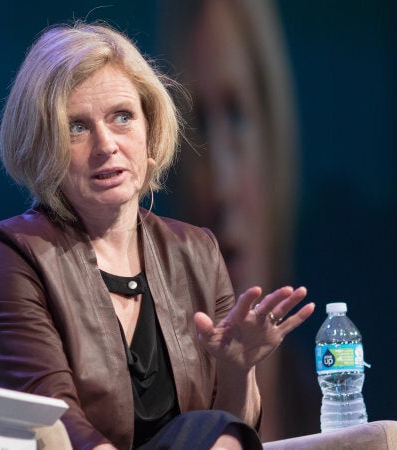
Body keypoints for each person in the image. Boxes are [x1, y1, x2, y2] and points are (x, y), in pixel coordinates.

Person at [0, 21, 315, 450]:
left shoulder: (196, 252)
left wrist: (237, 369)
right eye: (77, 126)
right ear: (44, 147)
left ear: (150, 132)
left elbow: (233, 429)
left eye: (122, 117)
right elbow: (54, 422)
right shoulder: (14, 255)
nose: (105, 144)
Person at [160, 0, 315, 440]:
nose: (223, 188)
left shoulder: (323, 401)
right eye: (199, 125)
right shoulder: (159, 400)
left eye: (236, 115)